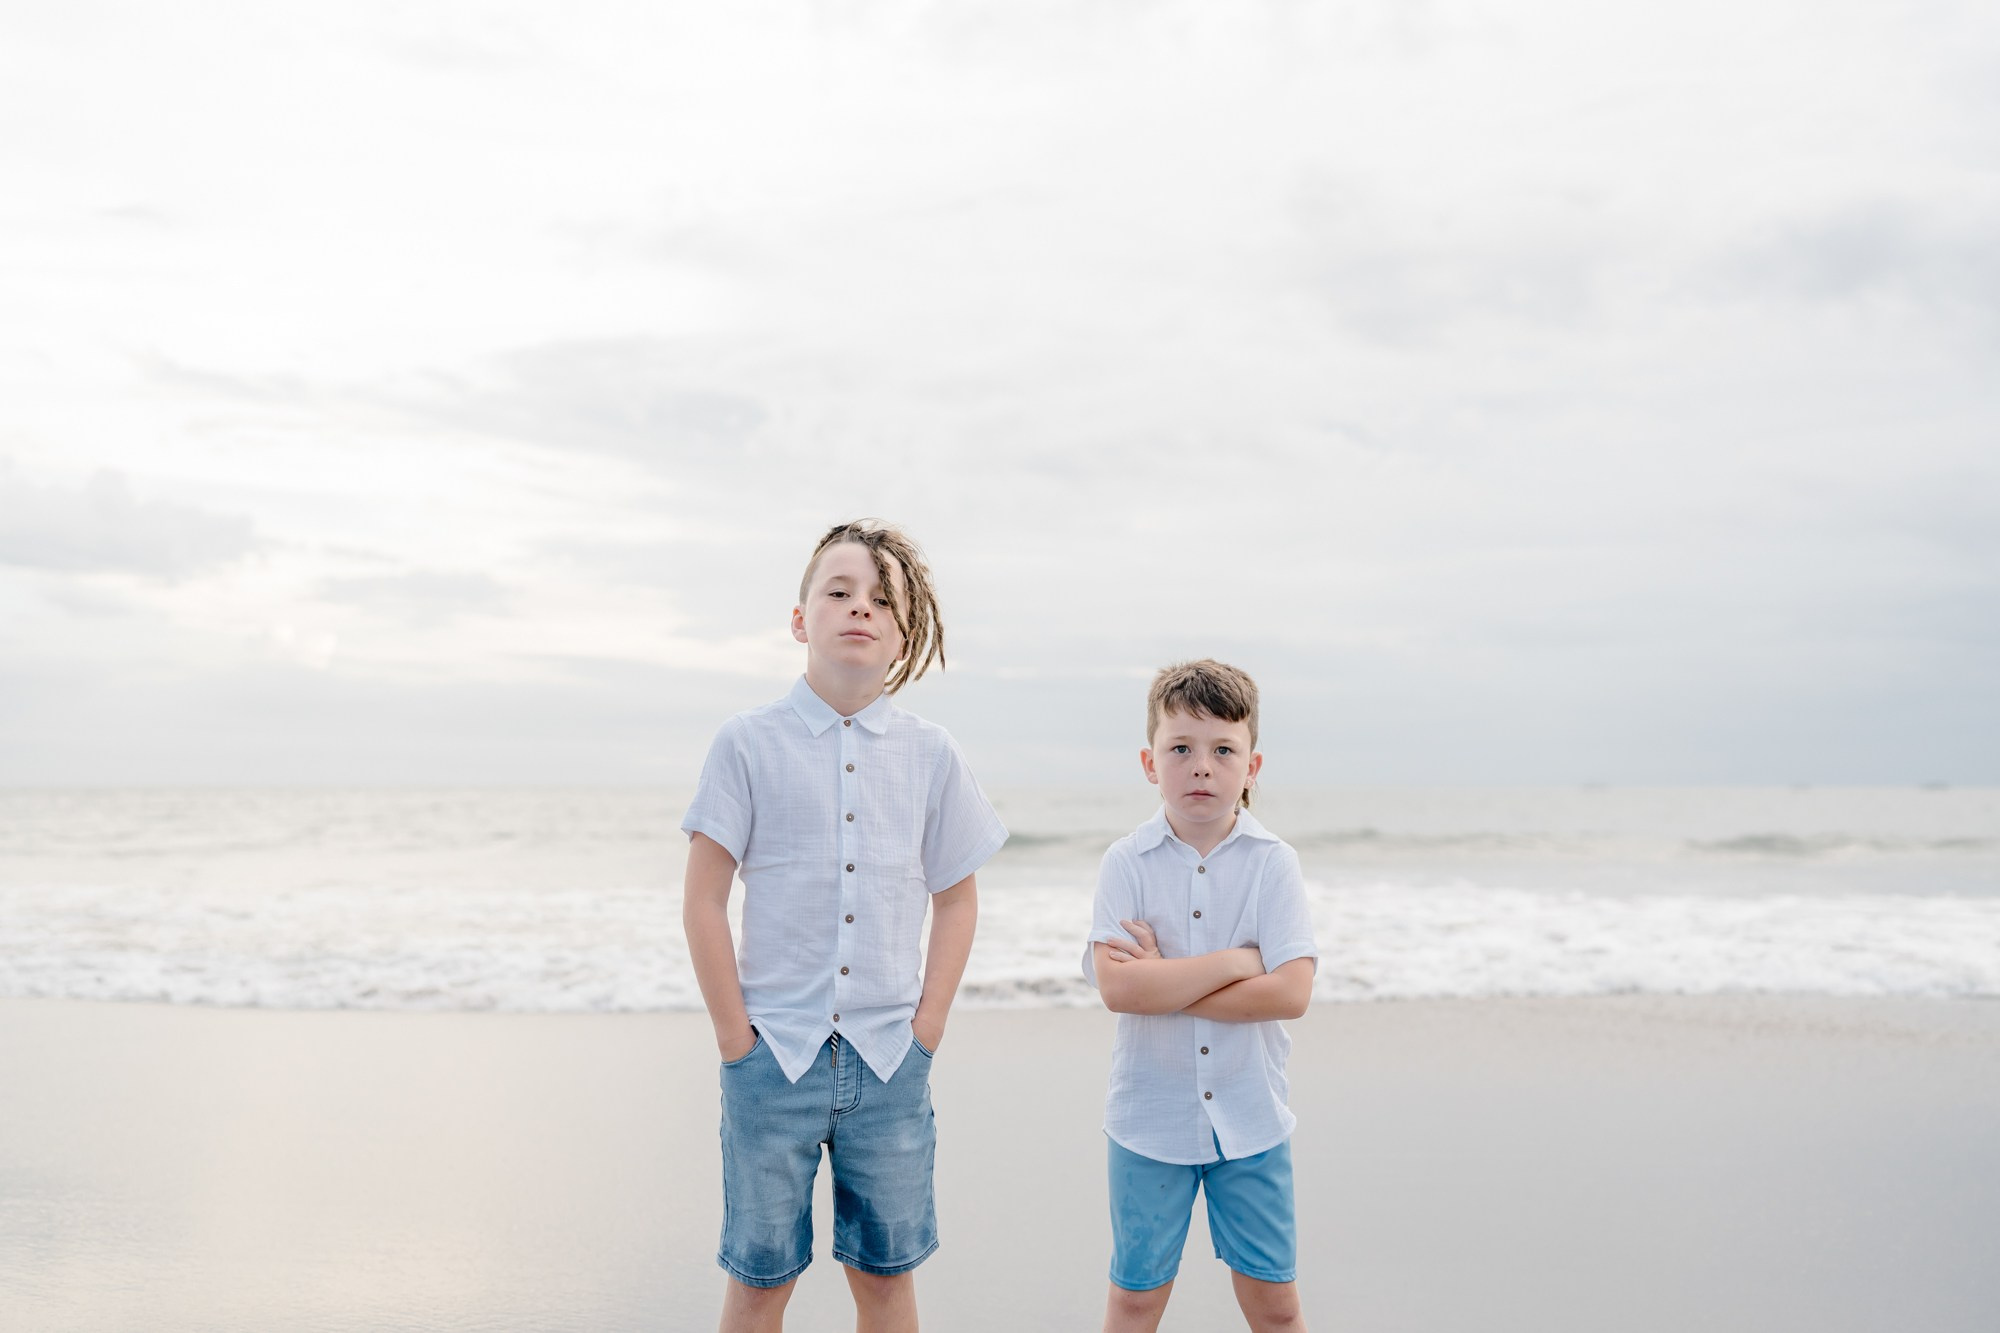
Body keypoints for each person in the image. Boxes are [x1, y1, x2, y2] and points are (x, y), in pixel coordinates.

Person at [681, 519, 1007, 1333]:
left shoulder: (932, 754)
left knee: (887, 1280)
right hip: (771, 1060)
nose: (860, 607)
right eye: (839, 591)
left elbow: (957, 897)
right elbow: (702, 900)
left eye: (883, 599)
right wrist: (735, 1042)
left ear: (904, 633)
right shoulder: (747, 743)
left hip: (891, 1060)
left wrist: (927, 1026)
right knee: (759, 1282)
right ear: (800, 619)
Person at [1084, 659, 1319, 1333]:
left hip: (1252, 1119)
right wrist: (1237, 962)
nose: (1201, 766)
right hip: (1148, 1121)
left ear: (1253, 765)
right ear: (1149, 761)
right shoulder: (1126, 861)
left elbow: (1291, 991)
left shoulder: (1273, 862)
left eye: (1223, 750)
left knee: (1276, 1305)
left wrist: (1169, 981)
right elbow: (1119, 986)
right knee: (1134, 1301)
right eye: (1180, 748)